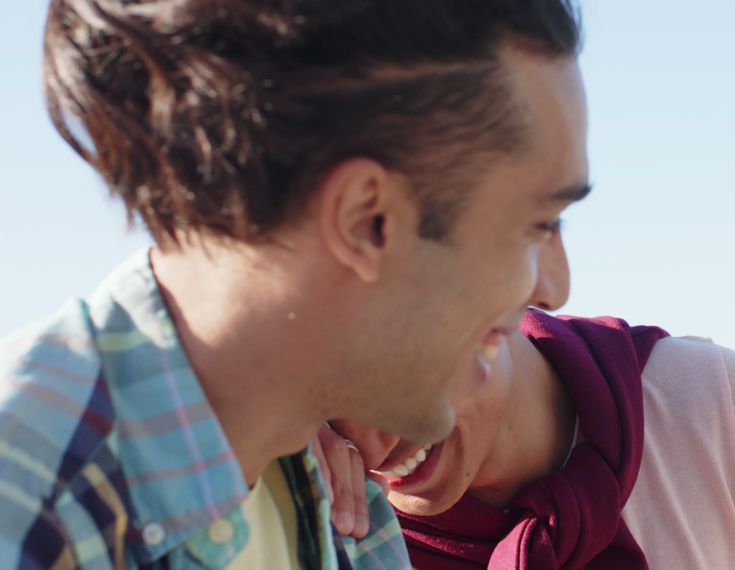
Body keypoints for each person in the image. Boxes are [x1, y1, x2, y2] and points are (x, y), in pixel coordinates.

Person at [0, 1, 588, 568]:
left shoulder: (346, 514)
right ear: (366, 220)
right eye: (537, 223)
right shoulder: (29, 503)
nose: (552, 289)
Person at [326, 307, 735, 569]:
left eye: (386, 374)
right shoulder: (316, 522)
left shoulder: (707, 403)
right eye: (320, 397)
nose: (367, 445)